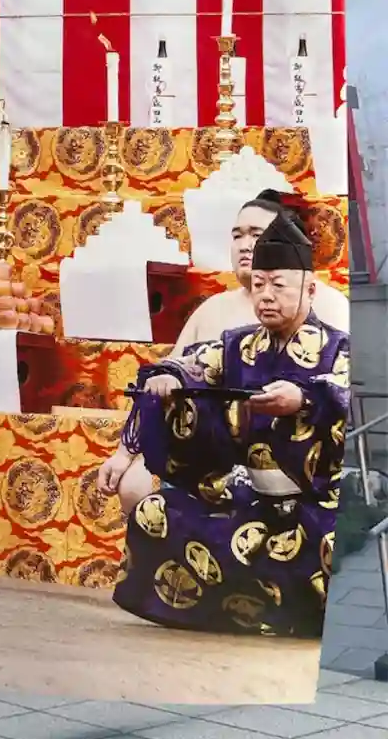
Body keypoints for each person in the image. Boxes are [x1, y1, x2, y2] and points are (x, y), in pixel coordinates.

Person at [109, 210, 350, 638]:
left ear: (310, 289)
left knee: (337, 545)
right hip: (245, 497)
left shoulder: (339, 349)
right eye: (259, 285)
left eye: (278, 285)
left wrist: (305, 399)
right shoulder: (238, 345)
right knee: (155, 512)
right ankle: (230, 615)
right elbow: (191, 365)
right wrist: (169, 379)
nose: (266, 296)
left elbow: (349, 391)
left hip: (314, 502)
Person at [98, 190, 348, 504]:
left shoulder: (329, 307)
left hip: (302, 464)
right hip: (210, 457)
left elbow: (344, 386)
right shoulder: (217, 316)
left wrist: (302, 398)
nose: (245, 244)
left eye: (256, 234)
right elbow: (175, 371)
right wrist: (125, 453)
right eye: (237, 235)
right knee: (138, 490)